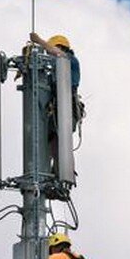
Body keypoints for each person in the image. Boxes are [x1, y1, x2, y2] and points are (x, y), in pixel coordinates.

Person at [29, 33, 85, 180]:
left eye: (49, 51)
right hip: (56, 108)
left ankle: (64, 174)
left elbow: (59, 55)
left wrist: (39, 41)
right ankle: (54, 173)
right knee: (53, 139)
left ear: (60, 47)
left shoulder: (69, 60)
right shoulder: (54, 71)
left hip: (67, 106)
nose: (49, 55)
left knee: (61, 139)